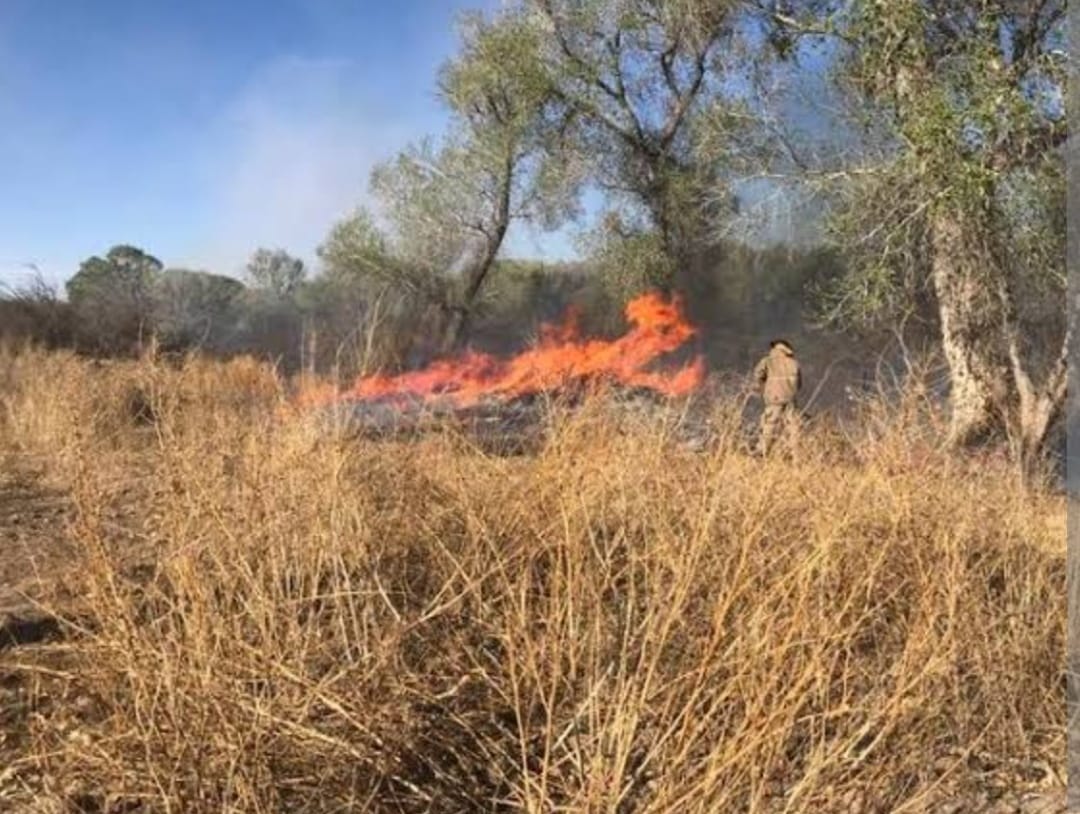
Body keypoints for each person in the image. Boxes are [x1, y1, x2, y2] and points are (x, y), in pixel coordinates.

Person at [753, 339, 802, 457]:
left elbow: (757, 375)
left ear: (774, 348)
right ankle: (795, 454)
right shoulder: (794, 363)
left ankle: (763, 452)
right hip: (790, 399)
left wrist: (763, 388)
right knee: (793, 427)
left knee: (769, 425)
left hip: (774, 398)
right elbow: (799, 384)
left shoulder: (767, 361)